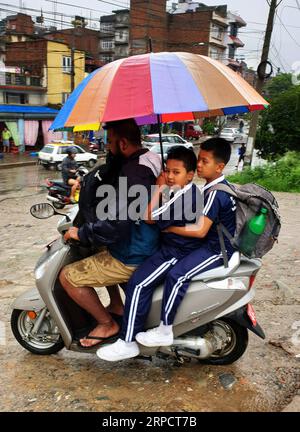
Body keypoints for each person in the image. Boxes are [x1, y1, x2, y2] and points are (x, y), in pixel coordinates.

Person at [97, 138, 236, 361]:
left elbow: (151, 217)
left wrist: (160, 188)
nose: (171, 176)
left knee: (140, 283)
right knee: (140, 281)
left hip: (178, 251)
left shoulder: (199, 195)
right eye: (167, 171)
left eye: (176, 171)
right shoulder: (194, 191)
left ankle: (129, 341)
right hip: (176, 248)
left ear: (218, 167)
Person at [59, 118, 161, 348]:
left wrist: (82, 233)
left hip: (133, 252)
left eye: (111, 142)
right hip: (147, 239)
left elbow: (117, 224)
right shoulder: (151, 159)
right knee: (99, 246)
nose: (108, 147)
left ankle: (106, 323)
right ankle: (116, 304)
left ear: (123, 143)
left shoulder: (133, 172)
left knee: (67, 276)